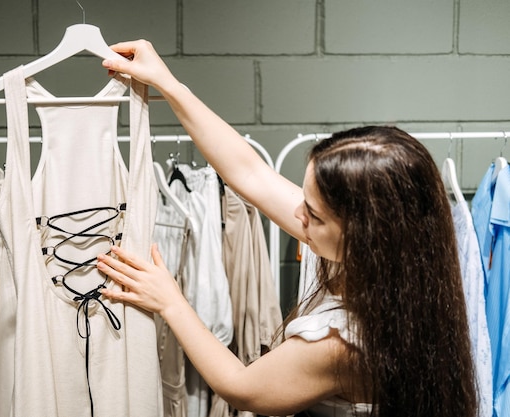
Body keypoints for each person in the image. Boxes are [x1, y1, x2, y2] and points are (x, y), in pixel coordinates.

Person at [97, 40, 477, 417]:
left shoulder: (342, 343)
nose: (298, 216)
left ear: (364, 238)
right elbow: (251, 173)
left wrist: (170, 301)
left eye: (314, 214)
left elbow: (242, 388)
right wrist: (170, 85)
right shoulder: (401, 272)